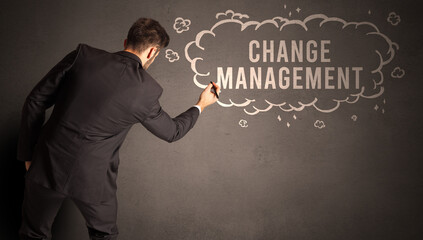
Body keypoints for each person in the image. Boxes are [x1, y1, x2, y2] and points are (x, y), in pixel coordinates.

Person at [16, 17, 220, 240]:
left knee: (33, 234)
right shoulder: (147, 91)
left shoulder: (82, 56)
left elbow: (35, 100)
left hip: (45, 163)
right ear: (152, 52)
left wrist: (28, 154)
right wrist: (201, 104)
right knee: (104, 235)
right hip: (93, 180)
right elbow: (172, 132)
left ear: (126, 42)